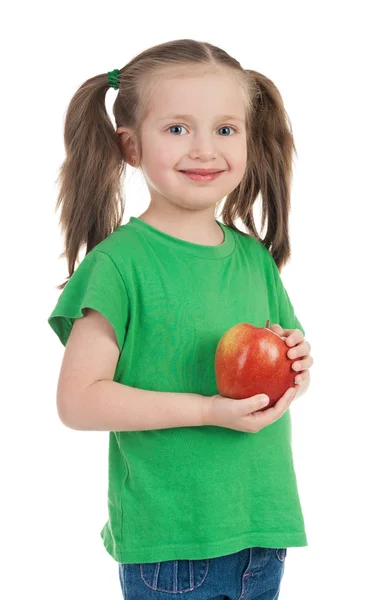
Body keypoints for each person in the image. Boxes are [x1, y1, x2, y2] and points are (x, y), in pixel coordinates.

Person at [47, 38, 314, 600]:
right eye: (176, 129)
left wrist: (297, 358)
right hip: (170, 547)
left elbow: (283, 358)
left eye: (225, 129)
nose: (204, 149)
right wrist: (207, 411)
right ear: (131, 146)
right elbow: (78, 400)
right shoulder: (120, 265)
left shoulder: (252, 258)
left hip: (262, 531)